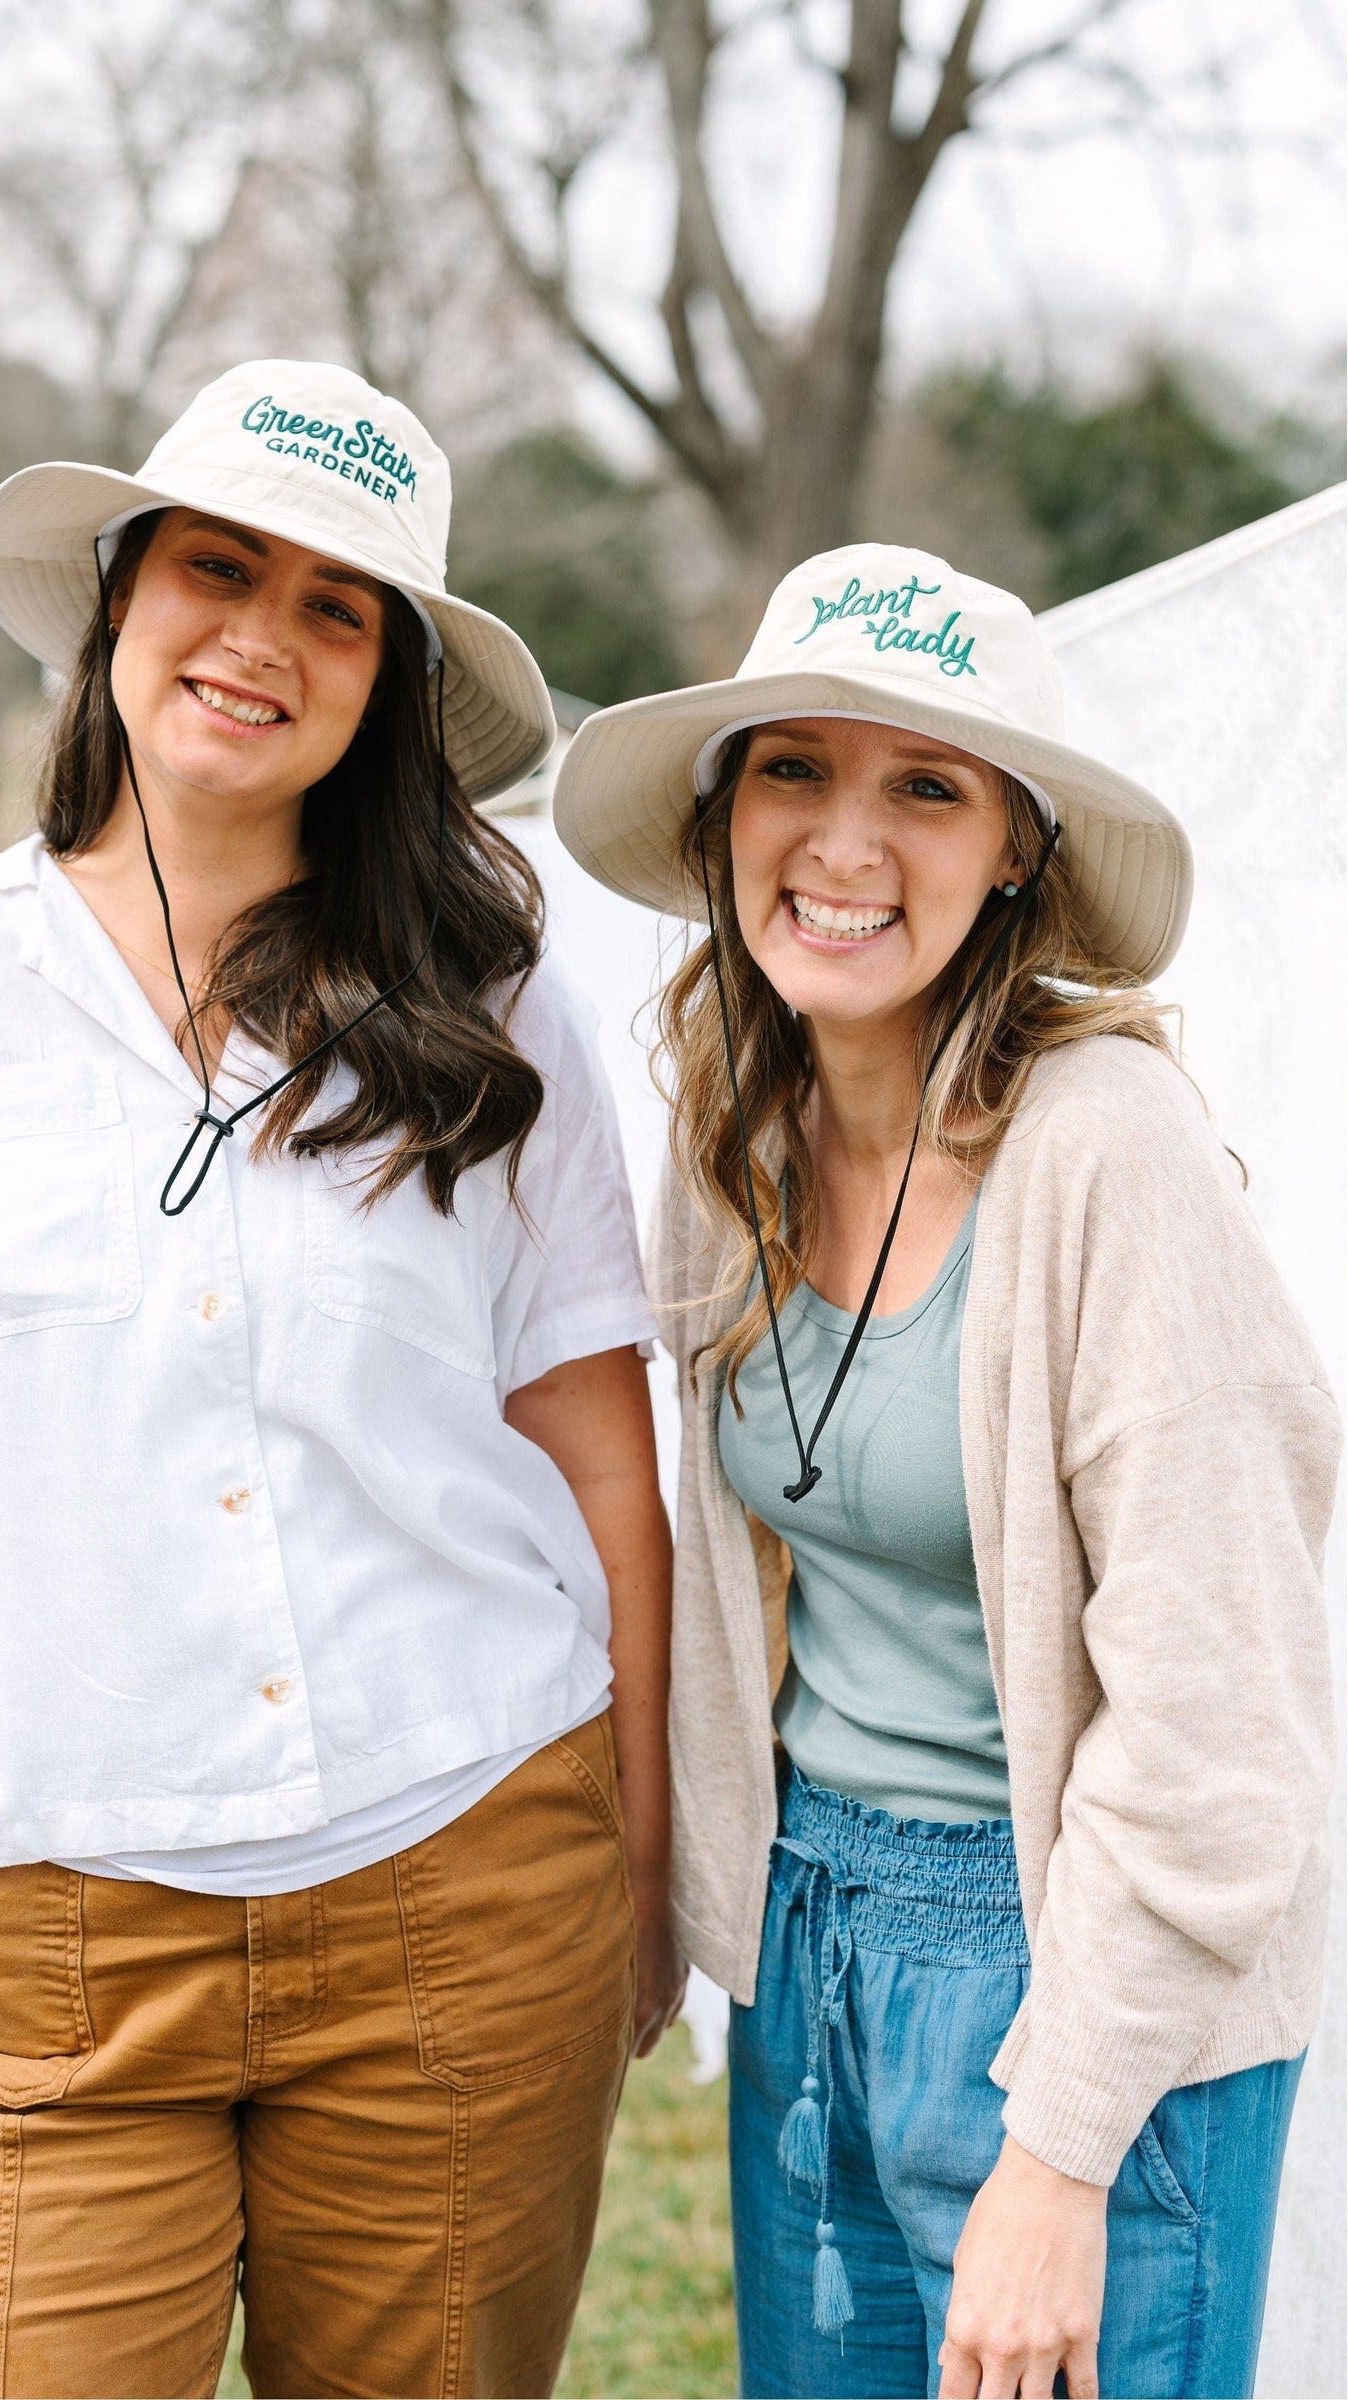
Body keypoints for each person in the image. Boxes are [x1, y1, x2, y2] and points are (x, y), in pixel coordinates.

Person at [0, 359, 684, 2400]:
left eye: (335, 606)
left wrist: (627, 1857)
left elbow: (601, 1453)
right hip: (46, 1928)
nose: (261, 634)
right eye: (215, 567)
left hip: (462, 1879)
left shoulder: (490, 998)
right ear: (116, 596)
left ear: (385, 683)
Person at [553, 545, 1339, 2400]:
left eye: (927, 785)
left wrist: (1059, 2156)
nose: (845, 840)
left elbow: (1224, 1739)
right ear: (722, 810)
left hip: (1079, 1962)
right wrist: (685, 1905)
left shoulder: (1109, 1162)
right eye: (794, 768)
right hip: (814, 1938)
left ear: (1016, 858)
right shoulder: (734, 1132)